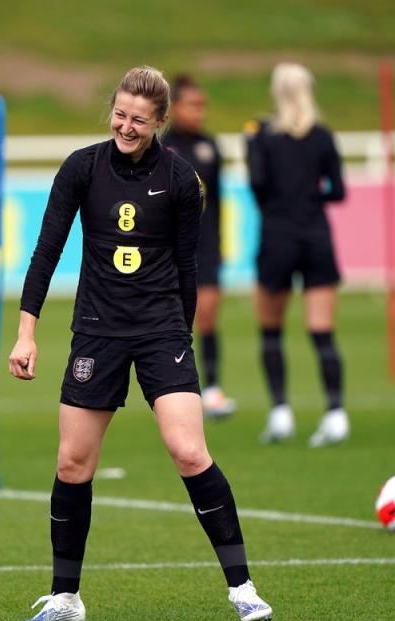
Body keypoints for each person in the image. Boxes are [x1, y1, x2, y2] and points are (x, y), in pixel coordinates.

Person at [8, 66, 272, 621]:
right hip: (97, 332)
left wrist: (181, 337)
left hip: (159, 332)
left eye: (139, 120)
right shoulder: (81, 167)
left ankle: (244, 588)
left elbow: (186, 266)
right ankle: (65, 598)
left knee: (189, 451)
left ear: (160, 123)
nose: (126, 126)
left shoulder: (180, 180)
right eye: (120, 115)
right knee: (72, 463)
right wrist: (26, 331)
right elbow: (46, 251)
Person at [244, 62, 349, 447]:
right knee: (322, 332)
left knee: (271, 330)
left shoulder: (260, 135)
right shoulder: (322, 136)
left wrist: (281, 202)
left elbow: (256, 183)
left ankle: (281, 412)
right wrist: (310, 196)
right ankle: (336, 414)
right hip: (317, 235)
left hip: (278, 235)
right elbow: (338, 191)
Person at [164, 74, 236, 419]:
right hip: (170, 246)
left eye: (202, 105)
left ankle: (213, 388)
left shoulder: (211, 147)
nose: (198, 112)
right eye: (192, 105)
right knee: (177, 320)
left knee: (207, 315)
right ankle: (176, 388)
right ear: (174, 107)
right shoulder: (162, 147)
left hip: (206, 245)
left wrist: (221, 244)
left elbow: (219, 201)